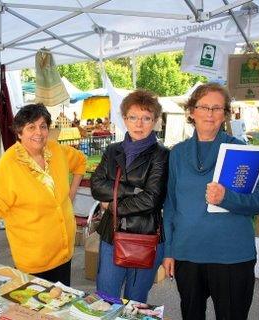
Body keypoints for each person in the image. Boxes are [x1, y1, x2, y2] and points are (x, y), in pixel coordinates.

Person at [162, 83, 259, 320]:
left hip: (231, 256)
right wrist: (169, 251)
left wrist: (226, 198)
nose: (210, 113)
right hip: (188, 254)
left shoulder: (241, 151)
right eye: (203, 107)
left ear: (225, 114)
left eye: (217, 108)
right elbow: (170, 205)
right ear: (191, 111)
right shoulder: (176, 154)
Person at [0, 104, 86, 286]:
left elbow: (80, 161)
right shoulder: (10, 164)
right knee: (38, 311)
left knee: (61, 307)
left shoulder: (56, 150)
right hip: (35, 262)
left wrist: (70, 195)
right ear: (19, 133)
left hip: (64, 253)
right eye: (31, 127)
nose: (39, 132)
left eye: (43, 126)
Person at [90, 89, 169, 303]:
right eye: (133, 117)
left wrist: (112, 205)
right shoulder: (112, 150)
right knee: (106, 298)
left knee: (135, 301)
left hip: (145, 236)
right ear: (124, 119)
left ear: (155, 121)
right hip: (111, 235)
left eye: (146, 118)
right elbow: (97, 186)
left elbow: (152, 199)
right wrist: (131, 190)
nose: (139, 124)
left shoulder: (162, 155)